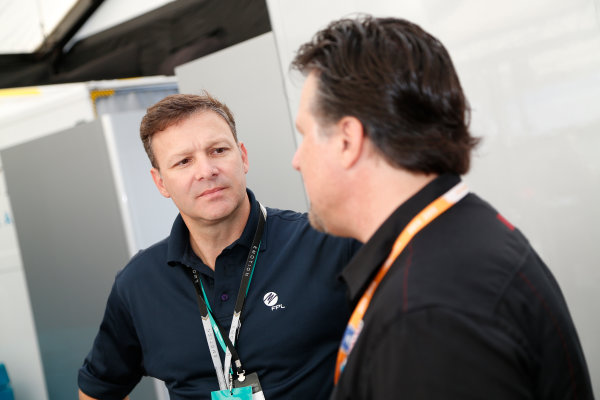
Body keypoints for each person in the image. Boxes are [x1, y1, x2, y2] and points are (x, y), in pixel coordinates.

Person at [290, 15, 594, 399]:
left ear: (348, 140)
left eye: (305, 135)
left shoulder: (424, 316)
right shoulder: (461, 236)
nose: (297, 160)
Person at [77, 93, 359, 400]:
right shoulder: (138, 285)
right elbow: (99, 389)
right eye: (184, 161)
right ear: (160, 183)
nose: (206, 170)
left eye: (218, 150)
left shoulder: (326, 243)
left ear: (243, 156)